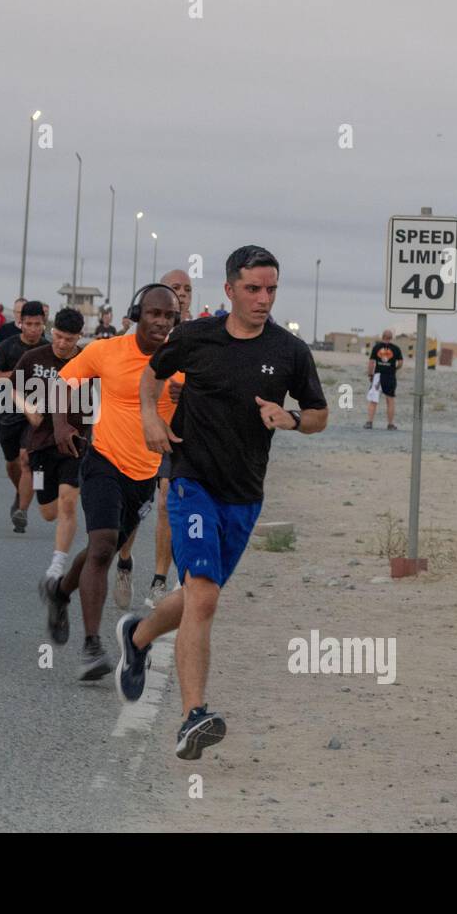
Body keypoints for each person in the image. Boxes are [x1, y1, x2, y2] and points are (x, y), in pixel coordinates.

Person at [116, 245, 329, 760]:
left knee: (197, 596)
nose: (263, 299)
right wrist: (150, 417)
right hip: (191, 482)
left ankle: (137, 637)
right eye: (253, 289)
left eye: (271, 289)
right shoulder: (194, 336)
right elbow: (153, 376)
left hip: (244, 494)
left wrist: (292, 419)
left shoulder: (289, 352)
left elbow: (320, 413)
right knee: (205, 596)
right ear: (230, 289)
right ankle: (194, 717)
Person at [39, 285, 180, 681]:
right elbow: (61, 385)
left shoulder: (181, 361)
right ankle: (91, 647)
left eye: (169, 316)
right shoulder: (106, 351)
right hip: (103, 461)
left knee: (102, 548)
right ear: (137, 313)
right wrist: (64, 425)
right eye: (154, 313)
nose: (162, 322)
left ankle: (60, 592)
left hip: (146, 474)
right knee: (102, 547)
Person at [115, 269, 192, 610]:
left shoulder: (198, 335)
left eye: (187, 289)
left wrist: (188, 393)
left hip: (181, 435)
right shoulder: (146, 334)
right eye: (175, 288)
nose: (182, 293)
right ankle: (125, 559)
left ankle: (161, 579)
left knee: (166, 504)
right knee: (137, 506)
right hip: (140, 431)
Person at [15, 308, 87, 579]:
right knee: (47, 512)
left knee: (68, 501)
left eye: (69, 340)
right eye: (58, 337)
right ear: (52, 332)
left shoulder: (86, 360)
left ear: (78, 337)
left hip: (74, 443)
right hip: (40, 444)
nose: (61, 344)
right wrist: (27, 409)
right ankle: (41, 495)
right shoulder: (34, 358)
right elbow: (13, 387)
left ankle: (57, 565)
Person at [0, 301, 48, 532]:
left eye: (37, 324)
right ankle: (21, 492)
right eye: (28, 324)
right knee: (12, 463)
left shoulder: (48, 349)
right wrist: (14, 375)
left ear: (44, 324)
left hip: (37, 416)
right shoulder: (9, 347)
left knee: (26, 458)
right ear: (21, 324)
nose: (33, 329)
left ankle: (22, 510)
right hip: (9, 414)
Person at [364, 329, 403, 430]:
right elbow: (400, 363)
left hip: (378, 376)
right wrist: (394, 368)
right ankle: (390, 424)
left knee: (374, 400)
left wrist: (370, 374)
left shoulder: (377, 347)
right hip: (390, 376)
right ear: (391, 338)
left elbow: (371, 362)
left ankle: (369, 422)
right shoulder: (396, 349)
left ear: (382, 337)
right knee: (390, 400)